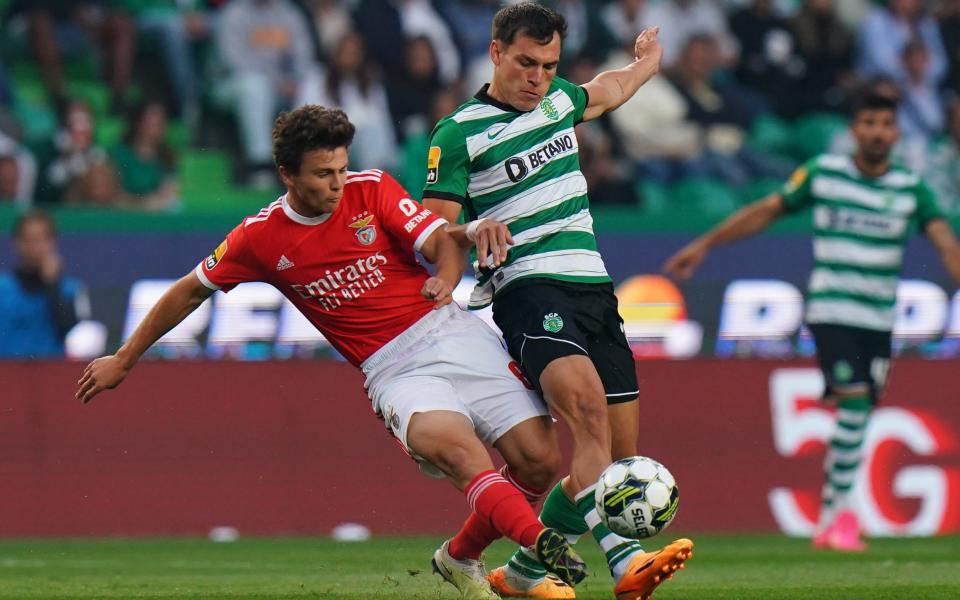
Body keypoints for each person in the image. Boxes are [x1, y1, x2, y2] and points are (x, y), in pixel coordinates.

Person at [74, 105, 587, 598]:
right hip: (393, 368)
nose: (338, 183)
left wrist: (446, 279)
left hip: (450, 330)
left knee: (539, 463)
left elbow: (441, 242)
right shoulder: (259, 237)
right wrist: (125, 357)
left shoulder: (373, 189)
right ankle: (539, 541)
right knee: (457, 452)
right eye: (323, 174)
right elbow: (189, 289)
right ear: (287, 175)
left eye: (341, 167)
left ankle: (457, 556)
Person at [422, 4, 693, 599]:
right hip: (528, 289)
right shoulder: (459, 132)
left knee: (613, 462)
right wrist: (465, 242)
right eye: (525, 63)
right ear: (496, 53)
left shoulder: (557, 101)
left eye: (548, 65)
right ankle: (626, 566)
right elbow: (434, 228)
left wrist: (646, 63)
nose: (537, 77)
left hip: (595, 289)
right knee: (589, 417)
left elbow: (607, 90)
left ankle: (517, 576)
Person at [663, 91, 960, 551]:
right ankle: (837, 517)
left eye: (885, 123)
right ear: (854, 130)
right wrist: (705, 245)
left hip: (878, 320)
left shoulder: (910, 188)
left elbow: (944, 242)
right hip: (832, 311)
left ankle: (834, 512)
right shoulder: (825, 174)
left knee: (857, 416)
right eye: (868, 122)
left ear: (896, 132)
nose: (878, 132)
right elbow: (766, 211)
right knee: (856, 405)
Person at [0, 210, 90, 358]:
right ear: (16, 243)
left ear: (53, 242)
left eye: (42, 239)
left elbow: (72, 332)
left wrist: (52, 284)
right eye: (29, 240)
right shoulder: (2, 288)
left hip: (51, 375)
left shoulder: (70, 289)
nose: (35, 247)